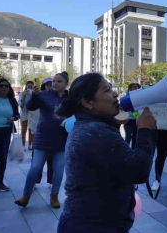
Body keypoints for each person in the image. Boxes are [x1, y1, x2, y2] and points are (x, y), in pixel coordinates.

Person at [55, 73, 156, 233]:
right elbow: (139, 171)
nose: (115, 94)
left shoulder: (92, 126)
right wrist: (145, 130)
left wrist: (113, 121)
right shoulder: (94, 131)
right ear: (88, 102)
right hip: (93, 226)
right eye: (107, 90)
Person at [15, 72, 70, 208]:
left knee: (58, 170)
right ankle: (25, 196)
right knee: (35, 168)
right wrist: (34, 96)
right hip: (42, 138)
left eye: (59, 81)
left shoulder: (70, 99)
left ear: (66, 84)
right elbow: (30, 106)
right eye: (54, 81)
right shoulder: (43, 95)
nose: (55, 84)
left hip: (61, 140)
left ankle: (54, 196)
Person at [0, 79, 20, 193]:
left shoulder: (12, 100)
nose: (4, 88)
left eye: (7, 86)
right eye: (2, 86)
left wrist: (14, 118)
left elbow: (17, 114)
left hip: (6, 132)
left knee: (3, 157)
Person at [30, 79, 54, 186]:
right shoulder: (38, 96)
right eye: (47, 84)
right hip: (39, 131)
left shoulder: (59, 98)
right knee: (36, 161)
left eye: (51, 84)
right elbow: (28, 106)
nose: (49, 86)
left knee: (52, 159)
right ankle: (35, 180)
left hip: (54, 133)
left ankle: (51, 180)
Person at [19, 81, 34, 150]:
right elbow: (21, 105)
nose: (30, 88)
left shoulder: (34, 94)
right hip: (24, 114)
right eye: (29, 86)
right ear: (26, 86)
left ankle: (30, 145)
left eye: (31, 86)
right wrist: (23, 96)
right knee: (23, 130)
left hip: (32, 115)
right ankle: (23, 145)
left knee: (31, 130)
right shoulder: (22, 94)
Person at [124, 83, 140, 149]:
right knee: (128, 137)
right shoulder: (125, 97)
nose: (136, 88)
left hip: (136, 120)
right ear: (130, 89)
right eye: (134, 87)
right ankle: (125, 150)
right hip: (128, 120)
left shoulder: (140, 97)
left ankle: (133, 151)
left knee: (135, 137)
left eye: (137, 87)